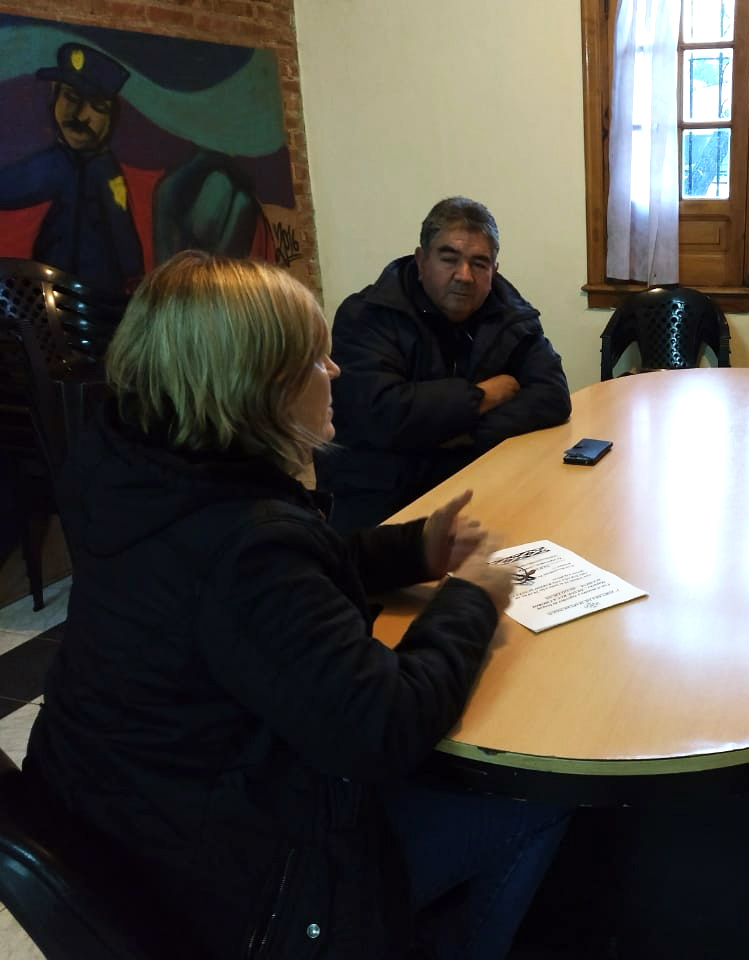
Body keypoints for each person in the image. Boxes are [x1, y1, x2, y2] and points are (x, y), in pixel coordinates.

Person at [25, 251, 567, 960]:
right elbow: (385, 724)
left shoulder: (135, 473)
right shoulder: (246, 544)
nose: (335, 371)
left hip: (128, 817)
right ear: (258, 386)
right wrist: (471, 598)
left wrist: (412, 551)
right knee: (535, 803)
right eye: (315, 359)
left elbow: (267, 595)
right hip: (240, 886)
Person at [316, 196, 572, 533]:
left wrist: (462, 434)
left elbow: (552, 396)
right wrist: (483, 397)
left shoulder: (511, 313)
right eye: (449, 259)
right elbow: (382, 414)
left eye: (479, 264)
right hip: (381, 495)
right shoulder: (367, 315)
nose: (464, 276)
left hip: (474, 479)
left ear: (494, 270)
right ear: (421, 261)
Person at [0, 42, 143, 294]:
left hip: (94, 302)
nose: (80, 115)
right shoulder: (58, 162)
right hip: (48, 295)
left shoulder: (107, 174)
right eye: (72, 98)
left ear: (111, 117)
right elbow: (13, 185)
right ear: (55, 94)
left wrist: (134, 281)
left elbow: (122, 231)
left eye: (97, 106)